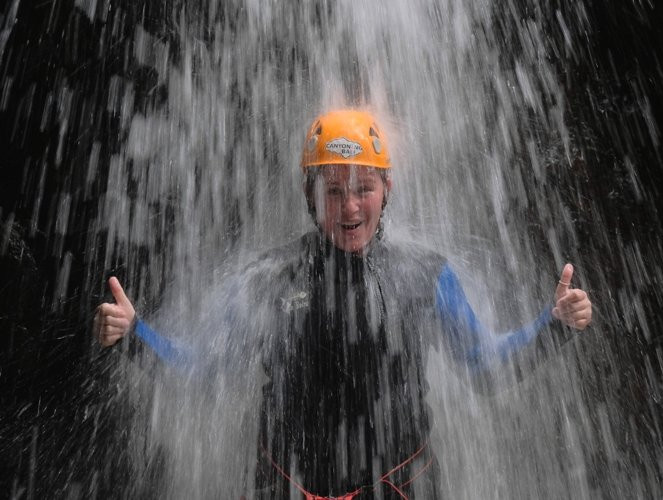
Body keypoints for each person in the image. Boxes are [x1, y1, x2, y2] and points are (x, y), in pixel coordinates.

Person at [94, 109, 592, 499]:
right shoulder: (268, 280)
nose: (350, 207)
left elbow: (483, 370)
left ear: (387, 189)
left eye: (363, 188)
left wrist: (554, 326)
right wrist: (134, 334)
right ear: (309, 193)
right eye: (333, 190)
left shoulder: (425, 276)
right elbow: (205, 376)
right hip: (286, 488)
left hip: (400, 490)